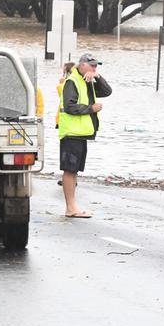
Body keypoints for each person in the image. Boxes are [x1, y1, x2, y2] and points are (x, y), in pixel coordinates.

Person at [59, 53, 111, 218]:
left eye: (96, 66)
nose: (94, 68)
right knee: (69, 170)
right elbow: (69, 106)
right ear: (81, 66)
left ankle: (73, 206)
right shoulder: (72, 82)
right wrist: (91, 109)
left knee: (74, 171)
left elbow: (107, 91)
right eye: (92, 66)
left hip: (82, 133)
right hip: (71, 133)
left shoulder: (86, 82)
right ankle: (70, 207)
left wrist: (98, 76)